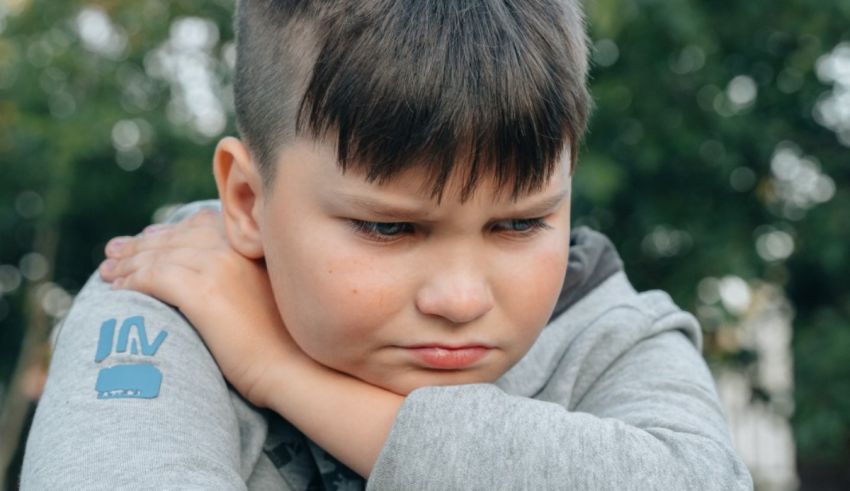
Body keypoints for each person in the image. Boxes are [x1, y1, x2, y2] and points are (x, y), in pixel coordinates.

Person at [21, 0, 753, 489]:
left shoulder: (607, 329)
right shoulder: (166, 296)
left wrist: (280, 371)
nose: (461, 298)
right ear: (247, 199)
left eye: (520, 223)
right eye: (390, 227)